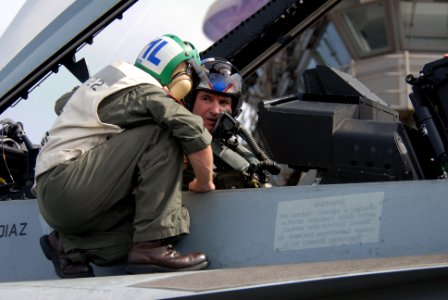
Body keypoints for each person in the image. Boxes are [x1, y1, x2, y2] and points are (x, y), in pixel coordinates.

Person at [33, 34, 215, 278]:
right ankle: (152, 248)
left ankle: (66, 248)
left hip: (55, 197)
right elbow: (192, 129)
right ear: (179, 73)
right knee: (163, 134)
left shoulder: (115, 80)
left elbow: (61, 103)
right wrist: (203, 182)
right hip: (67, 183)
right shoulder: (144, 92)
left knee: (153, 219)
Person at [183, 57, 271, 190]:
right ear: (190, 101)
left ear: (234, 111)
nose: (215, 110)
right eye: (206, 99)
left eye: (223, 102)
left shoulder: (240, 153)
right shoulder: (171, 146)